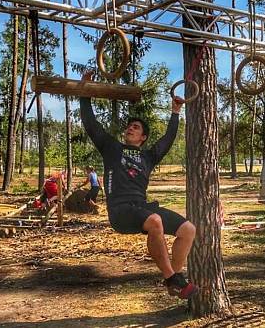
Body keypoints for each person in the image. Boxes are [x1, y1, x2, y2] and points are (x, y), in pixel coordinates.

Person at [79, 72, 198, 299]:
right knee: (155, 221)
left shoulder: (148, 157)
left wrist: (175, 112)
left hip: (142, 207)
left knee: (188, 230)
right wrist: (85, 94)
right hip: (121, 211)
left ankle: (176, 277)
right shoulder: (111, 148)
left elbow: (167, 140)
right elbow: (91, 124)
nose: (130, 129)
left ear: (143, 137)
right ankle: (171, 278)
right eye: (129, 126)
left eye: (135, 127)